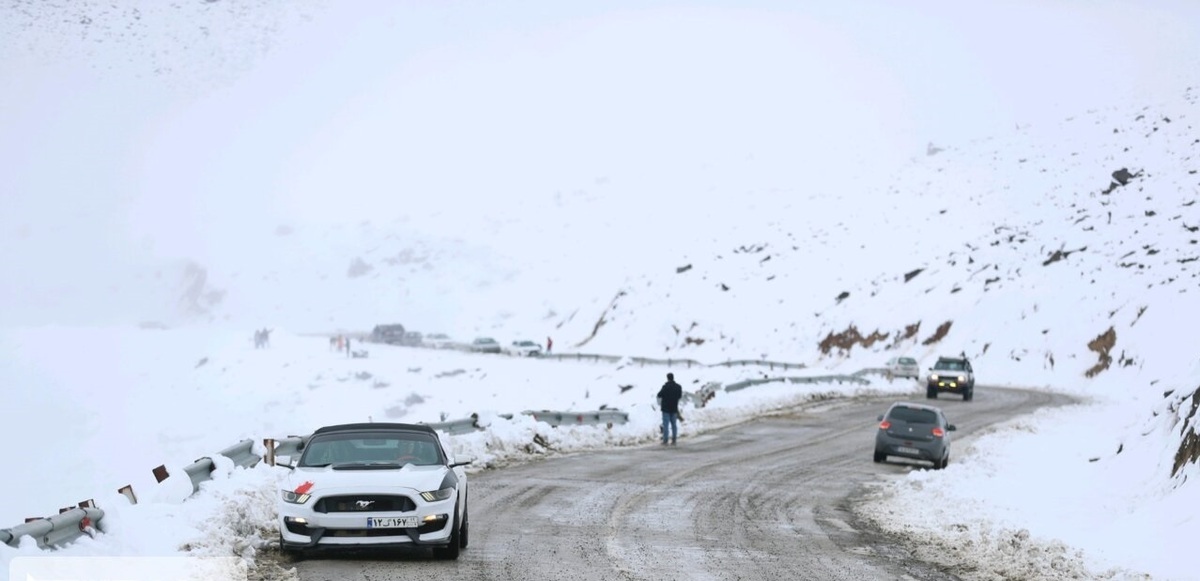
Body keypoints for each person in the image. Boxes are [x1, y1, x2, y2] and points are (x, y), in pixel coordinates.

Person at [656, 372, 683, 445]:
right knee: (674, 424)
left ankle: (665, 440)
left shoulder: (665, 387)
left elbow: (659, 394)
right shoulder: (678, 387)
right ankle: (674, 439)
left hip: (666, 408)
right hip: (674, 408)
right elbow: (680, 396)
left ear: (667, 378)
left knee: (666, 425)